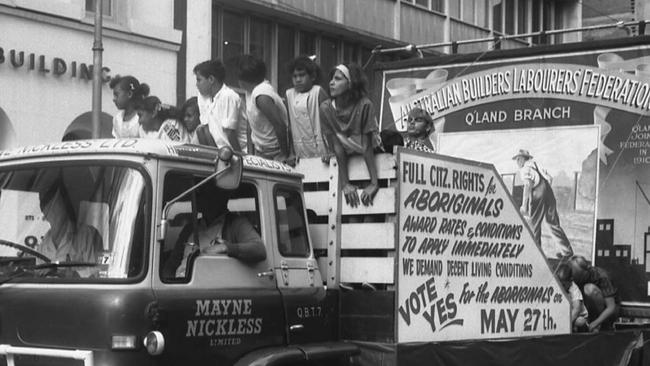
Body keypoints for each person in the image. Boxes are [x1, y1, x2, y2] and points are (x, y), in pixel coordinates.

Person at [162, 184, 266, 278]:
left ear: (218, 197)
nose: (197, 197)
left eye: (203, 193)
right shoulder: (190, 228)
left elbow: (259, 249)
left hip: (211, 287)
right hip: (182, 286)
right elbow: (172, 264)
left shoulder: (236, 223)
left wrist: (225, 247)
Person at [319, 63, 380, 208]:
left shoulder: (365, 105)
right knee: (351, 214)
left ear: (351, 83)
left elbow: (367, 147)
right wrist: (345, 184)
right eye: (332, 79)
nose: (331, 82)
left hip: (374, 157)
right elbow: (336, 146)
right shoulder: (325, 108)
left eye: (338, 79)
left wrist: (374, 183)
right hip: (348, 159)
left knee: (370, 211)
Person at [513, 149, 573, 258]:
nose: (517, 162)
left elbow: (528, 185)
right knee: (552, 222)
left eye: (518, 159)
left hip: (537, 192)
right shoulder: (535, 165)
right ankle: (567, 252)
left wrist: (524, 205)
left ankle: (536, 255)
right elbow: (550, 179)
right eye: (516, 159)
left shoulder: (524, 170)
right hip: (548, 191)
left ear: (523, 159)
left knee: (534, 224)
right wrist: (545, 191)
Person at [237, 54, 293, 164]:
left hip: (275, 151)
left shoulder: (262, 94)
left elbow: (280, 125)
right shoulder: (249, 91)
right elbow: (250, 126)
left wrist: (284, 154)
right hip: (261, 151)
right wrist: (250, 154)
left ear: (243, 80)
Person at [38, 184, 103, 265]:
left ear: (64, 206)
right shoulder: (43, 246)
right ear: (46, 216)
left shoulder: (87, 235)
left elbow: (97, 271)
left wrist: (73, 271)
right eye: (49, 210)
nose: (54, 213)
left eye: (56, 206)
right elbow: (38, 274)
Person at [194, 60, 245, 151]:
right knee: (200, 129)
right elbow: (205, 129)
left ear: (211, 79)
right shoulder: (203, 97)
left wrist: (240, 158)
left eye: (199, 80)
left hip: (237, 151)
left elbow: (230, 133)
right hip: (220, 152)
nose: (196, 85)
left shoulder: (228, 96)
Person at [285, 56, 330, 159]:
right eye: (294, 76)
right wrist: (291, 153)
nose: (298, 80)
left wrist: (330, 151)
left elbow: (329, 124)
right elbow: (289, 126)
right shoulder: (289, 95)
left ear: (312, 77)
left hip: (321, 148)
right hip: (300, 149)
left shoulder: (318, 92)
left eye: (302, 75)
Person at [569, 255, 620, 332]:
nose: (577, 280)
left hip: (609, 310)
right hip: (586, 310)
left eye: (579, 277)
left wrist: (595, 323)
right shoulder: (575, 279)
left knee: (589, 289)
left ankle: (603, 325)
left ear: (586, 272)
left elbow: (611, 307)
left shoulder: (602, 276)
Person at [556, 263, 589, 332]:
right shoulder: (557, 287)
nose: (561, 287)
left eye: (564, 285)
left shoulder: (574, 289)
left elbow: (576, 310)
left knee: (580, 322)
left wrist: (565, 324)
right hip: (564, 316)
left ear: (571, 281)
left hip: (577, 316)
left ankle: (583, 331)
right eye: (559, 284)